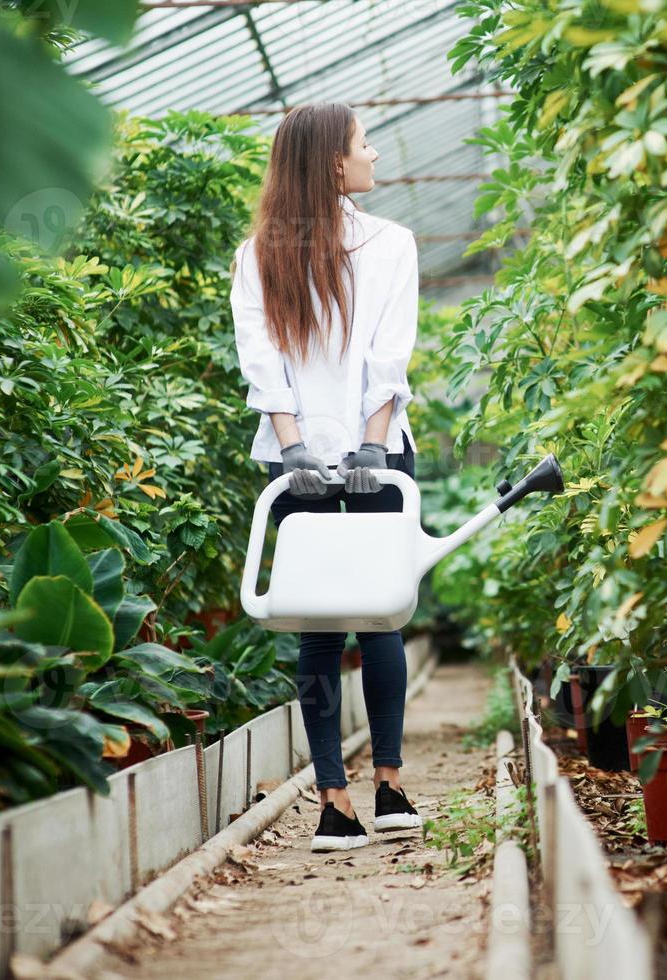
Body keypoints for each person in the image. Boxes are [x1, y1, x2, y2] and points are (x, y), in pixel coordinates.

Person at [230, 103, 421, 852]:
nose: (374, 153)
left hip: (371, 450)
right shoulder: (260, 255)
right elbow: (263, 356)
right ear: (332, 164)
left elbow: (388, 355)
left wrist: (369, 446)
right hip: (300, 457)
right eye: (363, 143)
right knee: (327, 623)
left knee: (376, 615)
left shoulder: (391, 245)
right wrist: (295, 447)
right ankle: (335, 799)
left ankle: (389, 783)